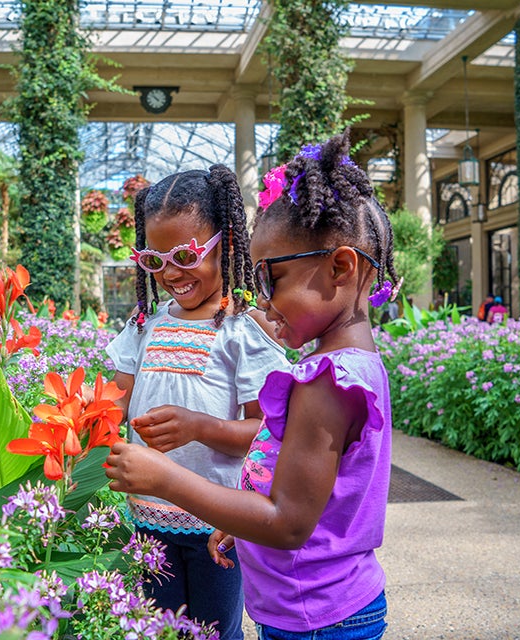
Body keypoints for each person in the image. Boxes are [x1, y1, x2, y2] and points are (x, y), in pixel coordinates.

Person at [106, 131, 397, 639]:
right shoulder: (348, 368)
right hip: (320, 604)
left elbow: (286, 522)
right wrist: (242, 524)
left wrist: (165, 478)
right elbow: (290, 491)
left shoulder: (327, 383)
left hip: (317, 618)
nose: (261, 300)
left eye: (271, 281)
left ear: (341, 267)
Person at [105, 165, 288, 640]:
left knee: (213, 632)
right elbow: (113, 404)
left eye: (185, 255)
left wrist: (200, 427)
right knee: (153, 630)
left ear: (226, 245)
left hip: (218, 522)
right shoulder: (144, 326)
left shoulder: (242, 331)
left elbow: (270, 433)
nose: (170, 273)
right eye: (154, 259)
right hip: (146, 515)